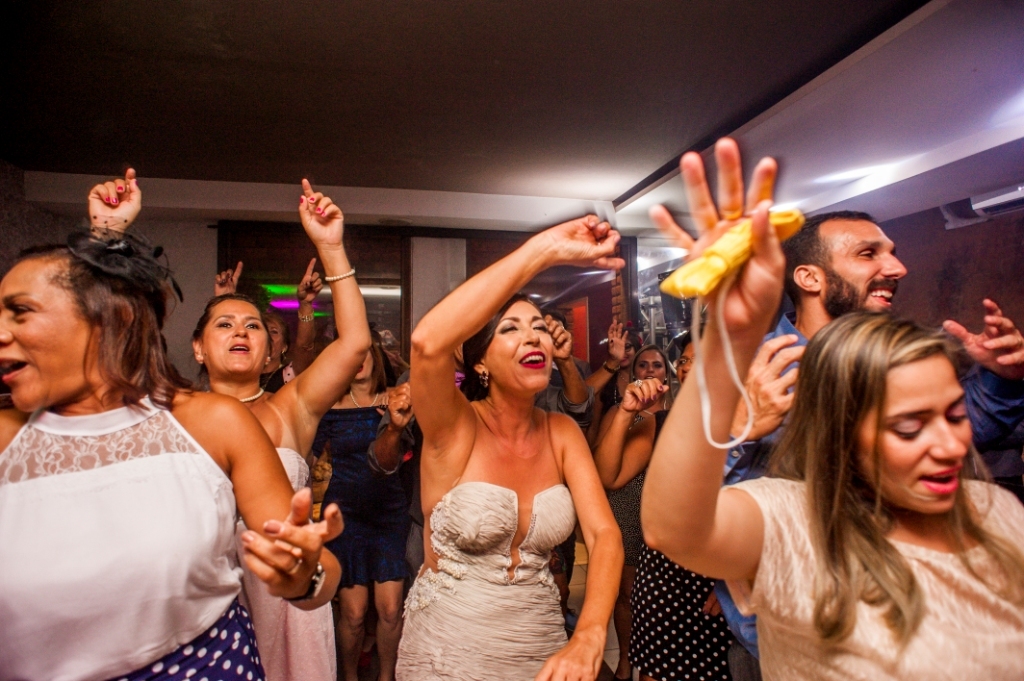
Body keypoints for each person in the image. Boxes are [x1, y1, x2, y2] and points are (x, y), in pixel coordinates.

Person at [643, 138, 1024, 679]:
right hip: (779, 610)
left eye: (949, 417)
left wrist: (1005, 381)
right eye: (869, 254)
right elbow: (689, 517)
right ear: (810, 278)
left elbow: (973, 433)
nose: (897, 266)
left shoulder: (995, 512)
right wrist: (733, 380)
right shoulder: (757, 361)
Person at [0, 172, 342, 680]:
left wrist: (301, 573)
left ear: (103, 320)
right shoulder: (8, 437)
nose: (3, 332)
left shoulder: (214, 422)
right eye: (223, 323)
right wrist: (106, 239)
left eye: (19, 312)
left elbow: (318, 574)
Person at [397, 215, 625, 681]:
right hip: (450, 653)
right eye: (510, 329)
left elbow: (604, 536)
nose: (532, 336)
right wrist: (544, 250)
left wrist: (590, 631)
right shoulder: (455, 426)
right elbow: (426, 342)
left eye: (538, 326)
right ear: (480, 361)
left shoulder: (561, 432)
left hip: (541, 647)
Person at [192, 180, 372, 681]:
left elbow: (355, 341)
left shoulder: (290, 407)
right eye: (224, 325)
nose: (241, 333)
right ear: (198, 350)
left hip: (288, 595)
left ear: (270, 350)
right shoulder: (178, 415)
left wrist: (331, 247)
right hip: (204, 594)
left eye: (252, 325)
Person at [627, 332, 733, 681]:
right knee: (656, 671)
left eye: (698, 359)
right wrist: (624, 414)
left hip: (718, 573)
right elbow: (610, 475)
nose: (687, 367)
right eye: (684, 361)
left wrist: (738, 575)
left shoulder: (745, 424)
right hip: (666, 573)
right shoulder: (662, 422)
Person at [311, 340, 409, 681]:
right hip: (345, 515)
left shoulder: (397, 398)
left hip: (389, 512)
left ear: (375, 356)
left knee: (391, 609)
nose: (358, 361)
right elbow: (304, 456)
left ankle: (386, 677)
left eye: (363, 352)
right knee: (353, 614)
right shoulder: (328, 405)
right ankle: (349, 676)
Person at [592, 344, 674, 680]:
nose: (651, 371)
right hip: (626, 503)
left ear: (666, 374)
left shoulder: (676, 413)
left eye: (657, 365)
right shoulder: (621, 412)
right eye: (643, 365)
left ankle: (654, 663)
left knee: (657, 597)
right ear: (634, 372)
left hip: (662, 513)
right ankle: (626, 657)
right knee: (627, 592)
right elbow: (602, 468)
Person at [214, 257, 322, 391]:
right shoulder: (238, 372)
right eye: (257, 329)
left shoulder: (290, 375)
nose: (267, 336)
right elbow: (218, 343)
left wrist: (305, 304)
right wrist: (225, 301)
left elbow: (304, 347)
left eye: (274, 331)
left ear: (284, 346)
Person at [586, 323, 638, 446]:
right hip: (608, 445)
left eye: (628, 347)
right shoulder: (606, 382)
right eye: (618, 347)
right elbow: (593, 426)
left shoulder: (643, 379)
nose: (623, 352)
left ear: (637, 349)